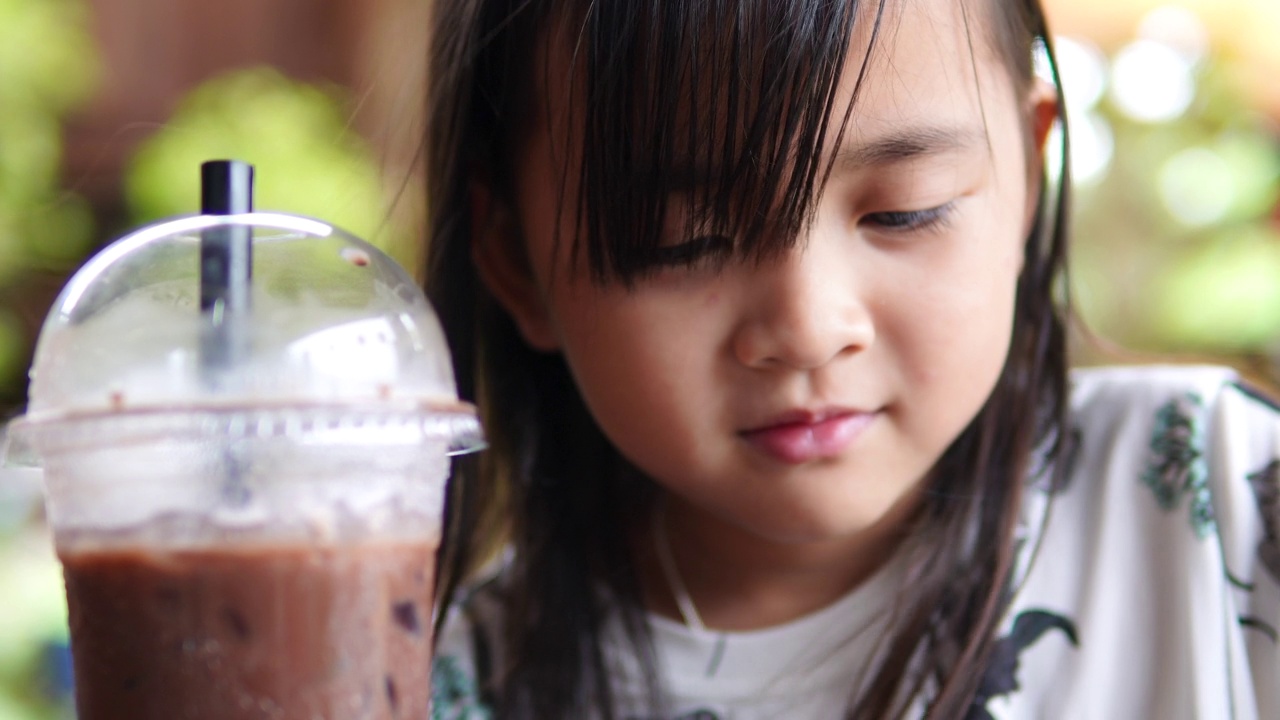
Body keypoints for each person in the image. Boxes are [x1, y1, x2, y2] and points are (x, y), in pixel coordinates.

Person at [421, 0, 1280, 717]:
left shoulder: (1220, 499)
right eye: (680, 244)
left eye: (905, 212)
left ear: (1028, 171)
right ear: (517, 264)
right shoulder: (454, 684)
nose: (808, 328)